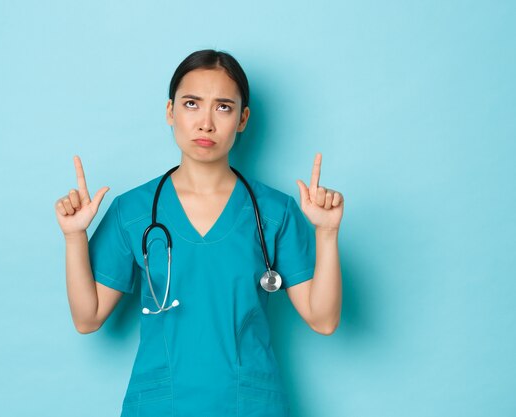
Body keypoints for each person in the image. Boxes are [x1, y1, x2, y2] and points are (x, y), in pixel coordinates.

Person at [54, 49, 344, 417]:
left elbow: (324, 319)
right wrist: (73, 236)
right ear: (170, 112)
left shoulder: (274, 211)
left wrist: (328, 233)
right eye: (192, 104)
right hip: (162, 405)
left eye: (223, 107)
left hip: (249, 406)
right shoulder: (133, 210)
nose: (206, 123)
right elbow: (87, 317)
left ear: (243, 119)